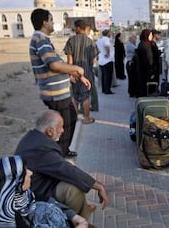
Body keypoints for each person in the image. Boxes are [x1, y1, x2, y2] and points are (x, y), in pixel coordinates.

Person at [0, 156, 115, 228]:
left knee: (67, 220)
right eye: (25, 172)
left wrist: (74, 216)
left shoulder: (16, 195)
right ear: (14, 182)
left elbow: (43, 198)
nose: (30, 173)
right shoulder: (6, 219)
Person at [15, 110, 110, 224]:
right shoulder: (41, 149)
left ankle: (83, 209)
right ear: (50, 131)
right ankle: (76, 225)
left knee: (75, 176)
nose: (63, 130)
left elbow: (62, 167)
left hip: (40, 185)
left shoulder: (33, 137)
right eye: (60, 127)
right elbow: (67, 171)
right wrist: (100, 187)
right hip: (37, 195)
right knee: (74, 188)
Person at [29, 8, 90, 158]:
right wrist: (76, 68)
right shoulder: (40, 39)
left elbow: (57, 63)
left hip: (60, 93)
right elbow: (53, 65)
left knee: (72, 119)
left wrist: (71, 74)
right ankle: (59, 158)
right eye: (51, 20)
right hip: (55, 94)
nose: (53, 23)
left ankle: (63, 151)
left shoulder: (42, 39)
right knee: (63, 127)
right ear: (44, 22)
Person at [64, 19, 99, 124]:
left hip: (74, 72)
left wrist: (70, 74)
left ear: (78, 28)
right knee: (86, 96)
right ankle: (87, 118)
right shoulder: (90, 42)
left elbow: (69, 60)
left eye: (75, 27)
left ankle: (75, 118)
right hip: (87, 73)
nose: (74, 29)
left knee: (74, 95)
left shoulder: (71, 40)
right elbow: (94, 60)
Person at [136, 29, 158, 97]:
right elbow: (146, 59)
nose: (151, 36)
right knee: (143, 87)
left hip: (144, 70)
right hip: (144, 71)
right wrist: (150, 71)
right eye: (150, 35)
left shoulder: (146, 44)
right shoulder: (144, 45)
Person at [96, 29, 115, 94]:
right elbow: (107, 46)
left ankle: (104, 89)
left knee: (103, 75)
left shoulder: (99, 39)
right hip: (108, 60)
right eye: (110, 33)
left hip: (101, 60)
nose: (111, 34)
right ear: (108, 34)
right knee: (108, 76)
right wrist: (108, 53)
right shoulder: (106, 39)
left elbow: (96, 48)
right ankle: (108, 90)